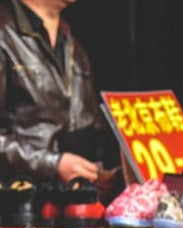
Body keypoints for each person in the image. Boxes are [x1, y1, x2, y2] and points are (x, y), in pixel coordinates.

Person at [0, 0, 115, 186]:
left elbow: (90, 123)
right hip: (17, 202)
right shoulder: (4, 32)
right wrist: (52, 164)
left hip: (70, 201)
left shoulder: (73, 45)